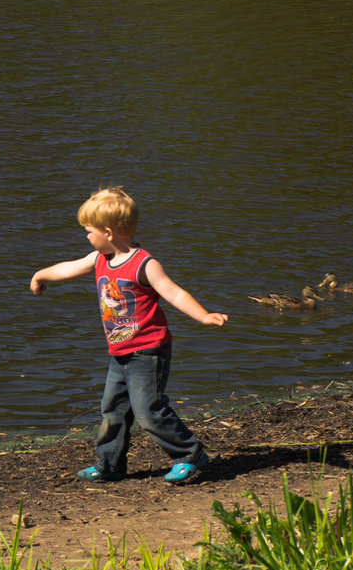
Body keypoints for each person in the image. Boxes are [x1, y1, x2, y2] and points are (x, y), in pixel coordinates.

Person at [29, 187, 228, 484]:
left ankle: (190, 454)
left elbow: (172, 291)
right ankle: (110, 465)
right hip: (120, 351)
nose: (86, 236)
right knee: (113, 410)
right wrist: (40, 275)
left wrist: (203, 315)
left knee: (149, 411)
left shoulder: (145, 264)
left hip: (148, 351)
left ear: (108, 232)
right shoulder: (100, 258)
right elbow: (70, 268)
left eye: (89, 231)